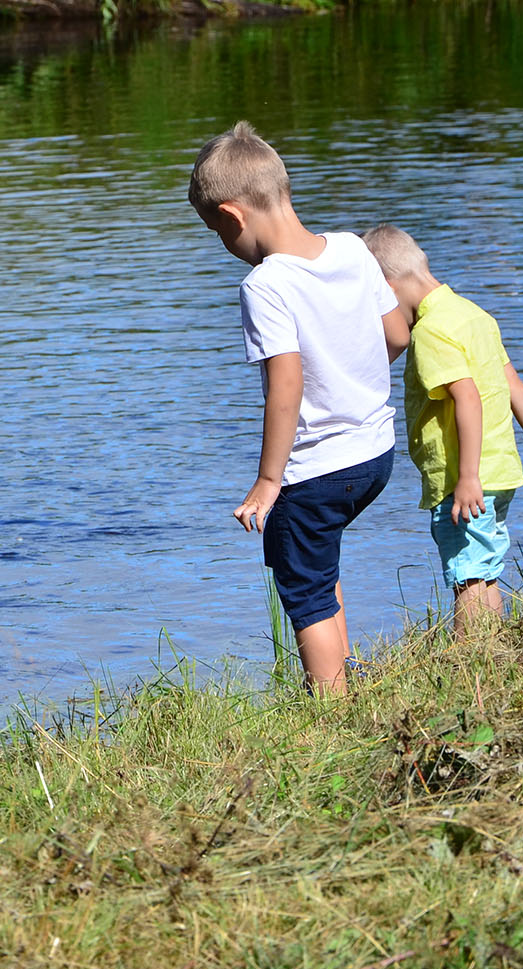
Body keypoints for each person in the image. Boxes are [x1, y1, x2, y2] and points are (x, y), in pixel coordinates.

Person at [189, 122, 409, 696]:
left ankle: (331, 709)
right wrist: (349, 369)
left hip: (315, 470)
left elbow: (285, 386)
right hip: (376, 455)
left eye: (216, 232)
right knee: (321, 562)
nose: (224, 245)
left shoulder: (266, 285)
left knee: (304, 582)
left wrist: (267, 481)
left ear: (233, 216)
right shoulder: (354, 250)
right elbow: (396, 334)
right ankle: (349, 676)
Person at [362, 225, 523, 638]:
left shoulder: (430, 332)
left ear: (385, 288)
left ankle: (470, 665)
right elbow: (514, 384)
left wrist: (467, 478)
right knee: (482, 568)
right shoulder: (474, 315)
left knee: (466, 575)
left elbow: (466, 398)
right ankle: (494, 651)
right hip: (499, 471)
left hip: (465, 479)